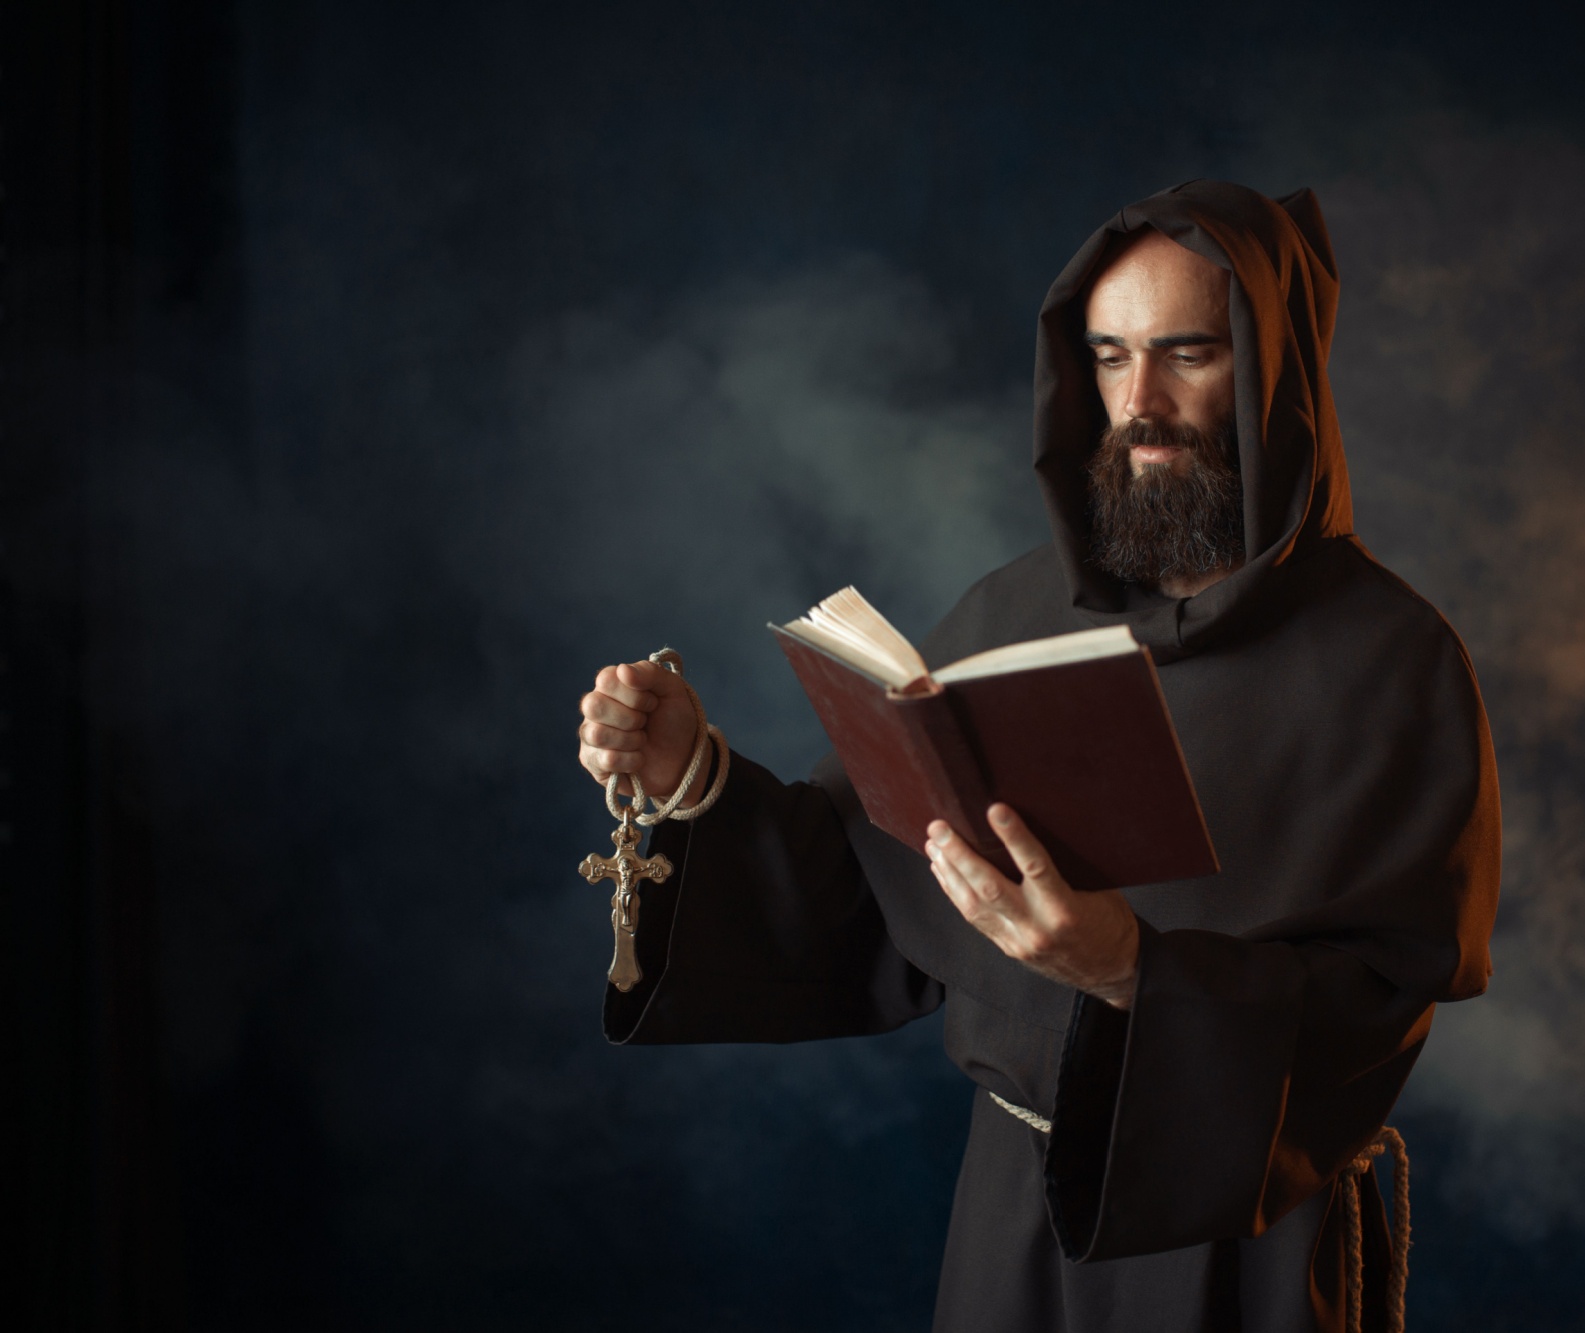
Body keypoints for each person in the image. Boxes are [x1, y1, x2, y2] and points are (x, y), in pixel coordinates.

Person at [575, 180, 1501, 1333]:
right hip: (1013, 1216)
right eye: (1109, 357)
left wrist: (1133, 974)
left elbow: (1378, 1007)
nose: (1139, 403)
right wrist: (686, 776)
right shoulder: (1012, 611)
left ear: (1275, 371)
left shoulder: (1390, 661)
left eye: (1188, 352)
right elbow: (867, 889)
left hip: (1242, 1244)